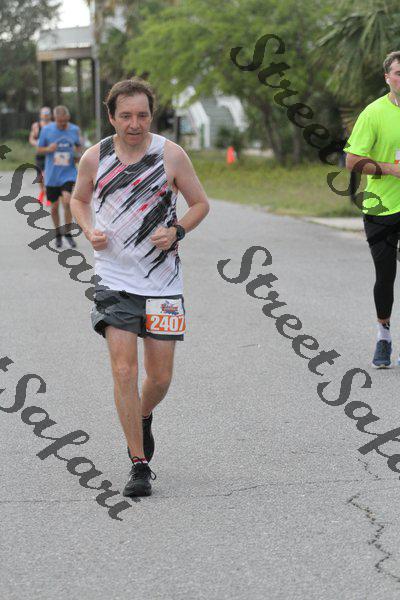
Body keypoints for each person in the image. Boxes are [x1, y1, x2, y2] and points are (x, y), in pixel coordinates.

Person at [70, 78, 210, 497]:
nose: (135, 123)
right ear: (111, 117)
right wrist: (89, 229)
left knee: (160, 377)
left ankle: (143, 414)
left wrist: (177, 231)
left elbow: (200, 204)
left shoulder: (171, 155)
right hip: (113, 279)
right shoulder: (95, 157)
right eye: (126, 115)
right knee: (124, 370)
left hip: (163, 282)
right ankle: (139, 463)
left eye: (143, 115)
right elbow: (78, 200)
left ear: (152, 115)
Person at [346, 51, 400, 368]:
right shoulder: (374, 113)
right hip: (381, 206)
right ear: (387, 78)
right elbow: (352, 161)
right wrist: (391, 170)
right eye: (399, 73)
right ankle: (384, 336)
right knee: (386, 274)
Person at [37, 105, 81, 248]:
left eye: (65, 121)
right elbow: (39, 149)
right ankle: (57, 234)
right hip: (52, 175)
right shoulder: (46, 130)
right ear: (54, 119)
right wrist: (48, 149)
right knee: (54, 207)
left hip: (68, 173)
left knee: (67, 202)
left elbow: (78, 147)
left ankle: (67, 232)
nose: (62, 124)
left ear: (68, 118)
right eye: (60, 121)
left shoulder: (74, 129)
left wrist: (77, 155)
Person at [29, 106, 52, 205]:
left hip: (49, 155)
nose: (45, 116)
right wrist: (36, 142)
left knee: (47, 176)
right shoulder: (36, 126)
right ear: (41, 115)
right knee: (39, 177)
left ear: (50, 115)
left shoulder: (53, 126)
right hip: (39, 155)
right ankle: (42, 191)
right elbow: (31, 139)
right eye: (44, 114)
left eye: (47, 114)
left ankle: (49, 196)